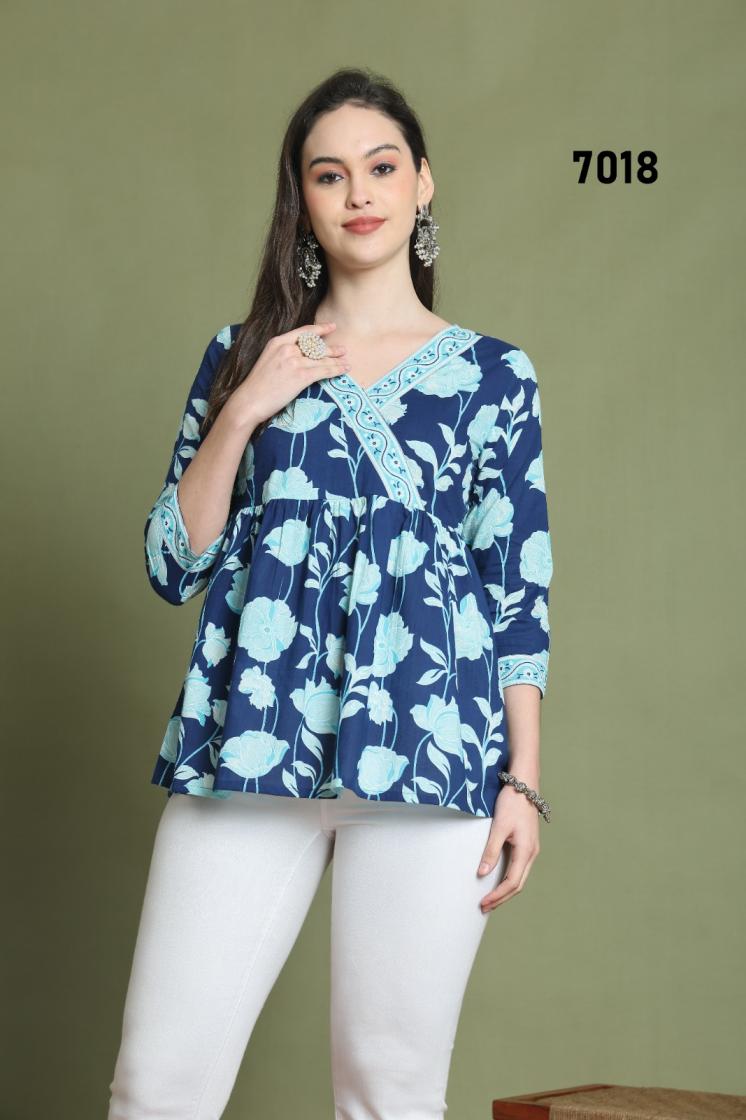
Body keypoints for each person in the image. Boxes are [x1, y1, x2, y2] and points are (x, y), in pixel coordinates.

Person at [107, 66, 554, 1120]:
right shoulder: (241, 356)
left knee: (388, 1094)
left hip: (431, 751)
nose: (358, 193)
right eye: (328, 174)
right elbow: (173, 563)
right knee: (156, 1085)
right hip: (249, 746)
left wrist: (522, 782)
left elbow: (516, 591)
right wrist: (244, 407)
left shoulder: (495, 377)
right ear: (300, 199)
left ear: (422, 183)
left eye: (381, 167)